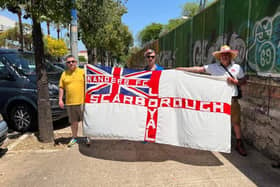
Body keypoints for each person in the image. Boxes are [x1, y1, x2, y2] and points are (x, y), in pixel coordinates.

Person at [176, 45, 247, 156]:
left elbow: (243, 80)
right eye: (222, 55)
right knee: (214, 120)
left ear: (230, 56)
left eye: (226, 55)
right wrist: (182, 69)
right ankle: (213, 141)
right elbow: (199, 69)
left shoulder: (237, 68)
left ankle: (239, 143)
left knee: (236, 122)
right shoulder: (213, 67)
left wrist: (235, 81)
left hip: (232, 99)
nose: (224, 57)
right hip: (217, 101)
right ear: (219, 57)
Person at [59, 55, 88, 147]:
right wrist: (60, 99)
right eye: (68, 62)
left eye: (72, 61)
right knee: (73, 121)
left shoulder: (83, 72)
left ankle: (87, 137)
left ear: (76, 62)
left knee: (85, 121)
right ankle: (74, 138)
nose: (71, 63)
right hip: (70, 103)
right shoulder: (64, 74)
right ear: (66, 64)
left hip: (82, 102)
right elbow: (61, 87)